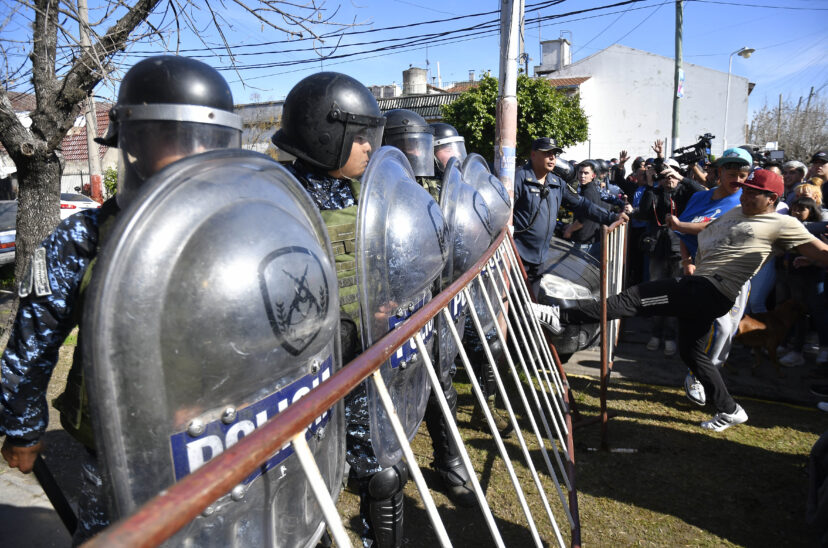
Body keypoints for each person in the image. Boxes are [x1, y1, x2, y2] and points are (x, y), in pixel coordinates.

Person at [0, 55, 242, 543]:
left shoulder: (237, 230)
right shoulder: (85, 237)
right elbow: (34, 342)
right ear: (136, 145)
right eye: (175, 140)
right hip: (119, 450)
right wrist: (25, 428)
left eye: (205, 143)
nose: (192, 155)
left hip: (223, 436)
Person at [534, 170, 828, 432]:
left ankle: (560, 316)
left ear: (773, 198)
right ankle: (730, 409)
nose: (748, 196)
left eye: (755, 193)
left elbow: (819, 252)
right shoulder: (738, 211)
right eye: (746, 190)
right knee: (692, 353)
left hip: (710, 289)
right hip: (701, 285)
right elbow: (708, 229)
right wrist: (680, 228)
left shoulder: (782, 224)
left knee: (634, 298)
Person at [272, 72, 417, 548]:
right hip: (302, 379)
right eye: (359, 137)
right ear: (325, 133)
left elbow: (388, 260)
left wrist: (389, 295)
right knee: (307, 490)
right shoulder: (277, 200)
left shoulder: (365, 195)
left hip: (362, 364)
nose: (369, 148)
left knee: (382, 475)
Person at [381, 109, 475, 507]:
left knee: (442, 386)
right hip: (395, 313)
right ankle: (388, 477)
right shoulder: (374, 192)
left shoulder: (439, 190)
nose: (414, 154)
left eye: (419, 145)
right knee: (392, 397)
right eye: (406, 145)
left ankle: (449, 462)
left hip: (437, 304)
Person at [666, 148, 751, 403]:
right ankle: (699, 375)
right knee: (701, 325)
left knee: (725, 329)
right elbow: (683, 235)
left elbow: (713, 227)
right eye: (732, 173)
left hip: (732, 270)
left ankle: (702, 375)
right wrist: (687, 261)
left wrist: (681, 225)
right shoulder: (699, 198)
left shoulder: (745, 202)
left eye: (743, 174)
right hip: (701, 268)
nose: (738, 179)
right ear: (719, 172)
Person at [513, 137, 628, 282]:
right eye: (547, 153)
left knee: (533, 301)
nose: (552, 157)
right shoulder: (519, 178)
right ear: (534, 155)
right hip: (518, 255)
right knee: (514, 301)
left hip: (541, 256)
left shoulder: (557, 182)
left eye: (554, 154)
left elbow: (584, 205)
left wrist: (612, 217)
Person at [634, 159, 705, 356]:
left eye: (671, 174)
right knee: (657, 294)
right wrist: (650, 184)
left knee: (677, 296)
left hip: (679, 251)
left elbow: (703, 192)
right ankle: (656, 334)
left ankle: (671, 336)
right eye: (665, 175)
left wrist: (680, 177)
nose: (668, 179)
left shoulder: (685, 192)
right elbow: (645, 211)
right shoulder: (655, 192)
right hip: (658, 250)